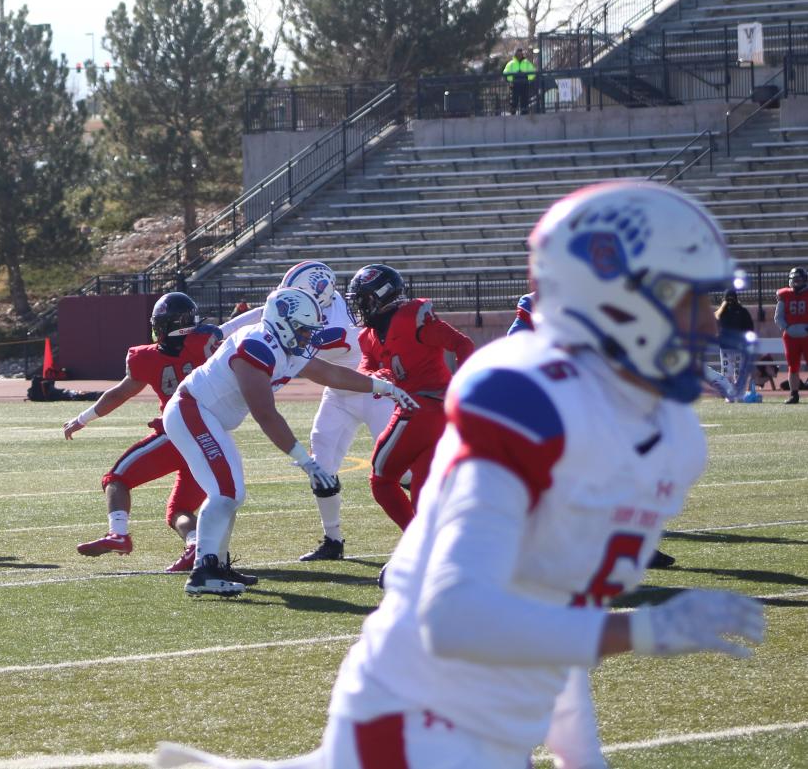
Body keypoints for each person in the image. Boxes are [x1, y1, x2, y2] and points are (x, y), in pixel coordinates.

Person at [155, 182, 767, 769]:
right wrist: (649, 630)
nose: (711, 325)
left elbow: (555, 618)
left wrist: (583, 756)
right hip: (412, 721)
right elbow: (457, 618)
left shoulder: (675, 441)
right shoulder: (524, 397)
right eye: (687, 300)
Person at [164, 288, 417, 596]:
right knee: (227, 492)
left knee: (230, 492)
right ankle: (203, 572)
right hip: (192, 410)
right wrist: (306, 460)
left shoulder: (282, 345)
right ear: (283, 322)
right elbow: (265, 414)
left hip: (206, 415)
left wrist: (381, 386)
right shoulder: (257, 345)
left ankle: (216, 564)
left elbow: (329, 373)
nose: (308, 336)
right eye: (304, 329)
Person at [222, 261, 397, 564]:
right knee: (322, 465)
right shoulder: (310, 304)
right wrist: (220, 330)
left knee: (400, 469)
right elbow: (264, 314)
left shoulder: (345, 319)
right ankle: (333, 539)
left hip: (371, 392)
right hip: (339, 395)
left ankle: (430, 531)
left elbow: (311, 339)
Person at [64, 293, 222, 573]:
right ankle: (197, 547)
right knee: (179, 512)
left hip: (176, 434)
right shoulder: (206, 345)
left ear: (159, 326)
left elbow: (121, 393)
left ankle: (119, 533)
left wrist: (83, 418)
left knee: (116, 478)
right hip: (211, 439)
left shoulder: (146, 357)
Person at [347, 263, 475, 531]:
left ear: (379, 295)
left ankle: (415, 547)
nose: (359, 307)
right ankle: (432, 549)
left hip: (419, 410)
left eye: (363, 300)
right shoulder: (368, 336)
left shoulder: (411, 317)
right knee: (423, 492)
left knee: (381, 480)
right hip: (436, 415)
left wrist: (464, 388)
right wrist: (376, 375)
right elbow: (365, 367)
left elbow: (461, 344)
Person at [775, 265, 808, 403]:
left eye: (799, 280)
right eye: (794, 280)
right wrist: (786, 328)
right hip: (790, 336)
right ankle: (794, 395)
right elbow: (778, 316)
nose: (796, 283)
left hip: (806, 334)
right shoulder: (785, 295)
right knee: (792, 366)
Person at [717, 288, 756, 397]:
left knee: (739, 372)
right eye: (728, 298)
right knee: (727, 373)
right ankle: (729, 394)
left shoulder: (742, 311)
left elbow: (749, 328)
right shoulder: (720, 313)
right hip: (725, 347)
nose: (730, 301)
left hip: (739, 347)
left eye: (732, 298)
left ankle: (739, 394)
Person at [503, 46, 536, 114]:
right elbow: (505, 73)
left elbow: (533, 72)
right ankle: (513, 113)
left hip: (525, 84)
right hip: (515, 84)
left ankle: (524, 113)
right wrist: (511, 79)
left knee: (524, 100)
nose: (519, 55)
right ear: (515, 54)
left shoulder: (527, 63)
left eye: (520, 53)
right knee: (514, 100)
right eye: (518, 53)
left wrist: (528, 78)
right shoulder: (511, 63)